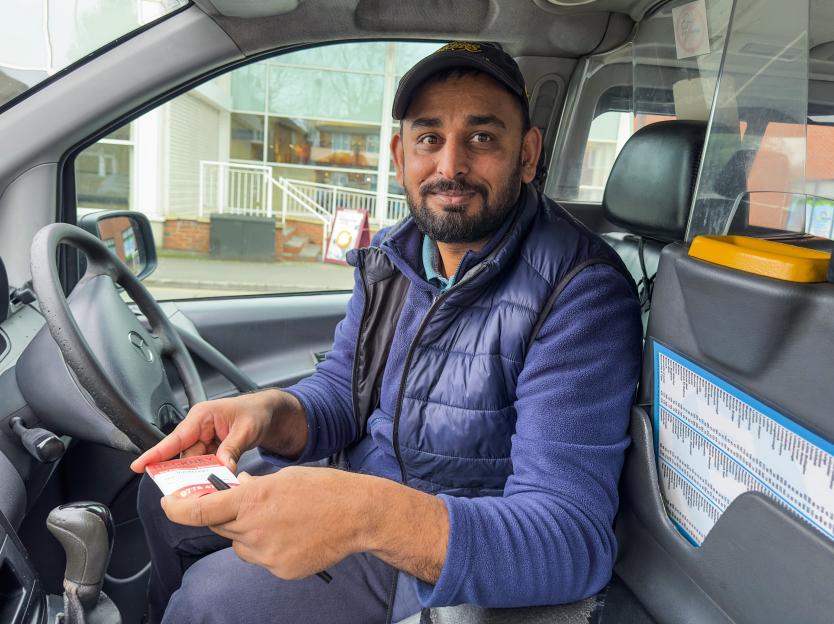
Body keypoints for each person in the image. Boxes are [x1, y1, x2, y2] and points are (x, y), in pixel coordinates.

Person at [132, 41, 642, 624]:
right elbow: (343, 396)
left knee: (209, 602)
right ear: (401, 155)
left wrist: (362, 515)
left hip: (442, 556)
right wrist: (268, 413)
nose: (450, 166)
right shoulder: (394, 255)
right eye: (430, 138)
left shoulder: (579, 291)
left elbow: (571, 540)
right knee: (164, 492)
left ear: (526, 155)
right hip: (359, 487)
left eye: (481, 138)